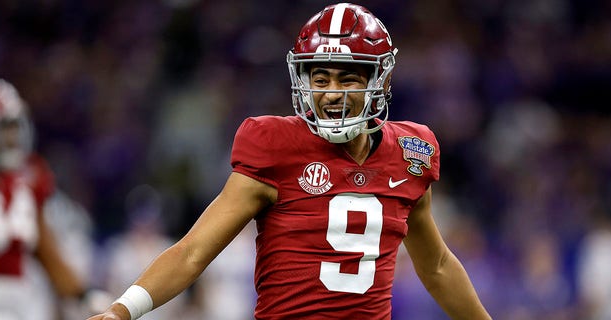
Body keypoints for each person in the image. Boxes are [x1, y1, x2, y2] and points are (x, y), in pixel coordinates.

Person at [89, 3, 491, 319]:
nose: (332, 93)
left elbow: (436, 264)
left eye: (348, 78)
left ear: (380, 81)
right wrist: (123, 310)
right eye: (320, 79)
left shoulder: (410, 153)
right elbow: (193, 251)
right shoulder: (275, 145)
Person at [0, 78, 109, 319]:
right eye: (2, 129)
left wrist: (83, 294)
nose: (12, 138)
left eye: (14, 127)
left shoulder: (30, 176)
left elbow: (46, 250)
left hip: (20, 297)